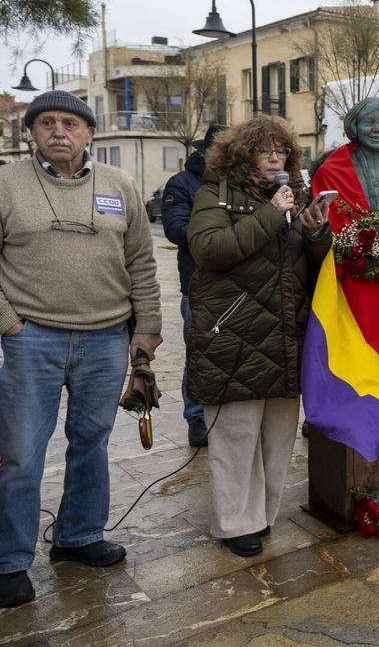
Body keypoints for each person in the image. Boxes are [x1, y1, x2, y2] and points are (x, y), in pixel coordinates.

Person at [0, 90, 161, 608]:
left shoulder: (119, 184)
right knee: (20, 453)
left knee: (91, 441)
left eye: (70, 123)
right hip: (32, 339)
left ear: (91, 132)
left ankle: (78, 536)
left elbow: (141, 261)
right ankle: (9, 561)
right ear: (32, 132)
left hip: (107, 337)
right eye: (46, 122)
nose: (58, 132)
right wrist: (10, 325)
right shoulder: (6, 184)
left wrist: (147, 328)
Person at [187, 118, 332, 557]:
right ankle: (235, 523)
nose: (274, 158)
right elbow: (209, 250)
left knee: (277, 438)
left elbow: (309, 264)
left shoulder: (294, 196)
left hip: (285, 334)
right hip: (236, 331)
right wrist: (271, 214)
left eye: (281, 151)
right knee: (236, 437)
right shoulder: (217, 192)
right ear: (242, 153)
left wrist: (315, 233)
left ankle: (262, 516)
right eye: (264, 150)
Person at [162, 124, 227, 447]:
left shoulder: (241, 181)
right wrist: (221, 237)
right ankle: (196, 416)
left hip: (239, 286)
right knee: (199, 354)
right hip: (199, 285)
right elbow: (175, 228)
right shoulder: (182, 183)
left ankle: (226, 413)